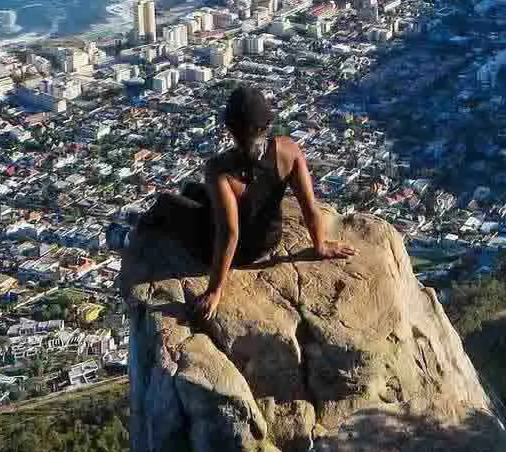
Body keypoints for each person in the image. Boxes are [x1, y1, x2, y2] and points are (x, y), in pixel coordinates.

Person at [140, 84, 354, 323]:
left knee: (167, 202)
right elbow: (309, 205)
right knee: (193, 190)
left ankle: (134, 237)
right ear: (266, 125)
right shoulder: (288, 150)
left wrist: (215, 290)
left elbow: (229, 233)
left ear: (230, 128)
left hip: (237, 253)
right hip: (269, 240)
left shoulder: (220, 170)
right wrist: (320, 245)